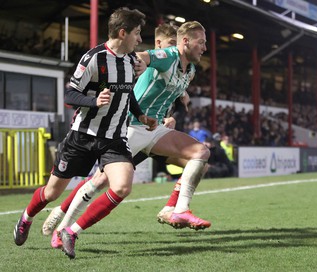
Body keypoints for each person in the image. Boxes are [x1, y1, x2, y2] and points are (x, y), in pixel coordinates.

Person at [51, 21, 211, 259]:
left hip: (155, 130)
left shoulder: (190, 71)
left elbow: (173, 90)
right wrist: (137, 63)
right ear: (185, 41)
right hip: (131, 128)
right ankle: (62, 225)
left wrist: (182, 98)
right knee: (100, 181)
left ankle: (177, 209)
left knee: (201, 154)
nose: (205, 48)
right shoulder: (167, 55)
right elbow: (143, 56)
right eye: (202, 42)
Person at [13, 8, 157, 259]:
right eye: (136, 33)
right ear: (122, 33)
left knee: (122, 187)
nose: (139, 38)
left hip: (114, 137)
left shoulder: (131, 60)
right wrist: (93, 101)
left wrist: (141, 114)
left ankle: (70, 231)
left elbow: (125, 91)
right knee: (51, 193)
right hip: (83, 136)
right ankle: (26, 218)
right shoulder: (93, 58)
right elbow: (69, 94)